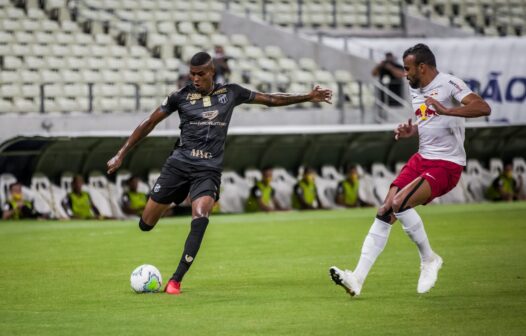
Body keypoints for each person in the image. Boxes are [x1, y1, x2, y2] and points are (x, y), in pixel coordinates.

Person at [106, 51, 332, 295]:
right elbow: (149, 122)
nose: (195, 78)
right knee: (145, 224)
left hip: (208, 170)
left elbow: (270, 99)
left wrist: (308, 96)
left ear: (212, 72)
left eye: (200, 74)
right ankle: (180, 194)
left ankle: (176, 280)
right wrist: (121, 154)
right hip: (179, 165)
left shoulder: (230, 92)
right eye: (192, 74)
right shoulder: (179, 97)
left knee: (201, 215)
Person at [330, 43, 491, 297]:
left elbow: (483, 107)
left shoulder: (450, 84)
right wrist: (412, 130)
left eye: (407, 69)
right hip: (421, 158)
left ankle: (429, 259)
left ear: (422, 67)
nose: (404, 74)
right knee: (385, 210)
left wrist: (448, 110)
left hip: (446, 164)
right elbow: (427, 119)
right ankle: (357, 279)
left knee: (400, 203)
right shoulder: (415, 88)